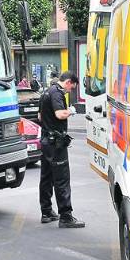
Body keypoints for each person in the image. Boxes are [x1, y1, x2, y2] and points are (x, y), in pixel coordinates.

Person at [37, 71, 85, 228]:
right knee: (62, 179)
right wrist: (71, 111)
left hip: (45, 140)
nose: (70, 90)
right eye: (72, 87)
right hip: (55, 143)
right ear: (69, 82)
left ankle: (46, 212)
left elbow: (39, 117)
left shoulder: (45, 92)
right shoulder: (57, 94)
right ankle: (65, 216)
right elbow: (59, 114)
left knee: (46, 177)